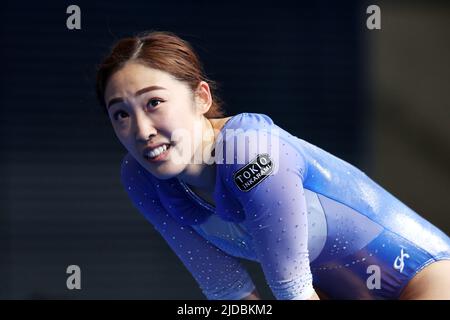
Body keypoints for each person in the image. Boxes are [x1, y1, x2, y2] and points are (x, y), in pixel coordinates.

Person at [95, 31, 450, 300]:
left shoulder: (250, 152)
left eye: (154, 102)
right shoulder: (141, 178)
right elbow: (228, 291)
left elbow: (293, 292)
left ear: (201, 97)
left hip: (424, 278)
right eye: (121, 114)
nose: (142, 130)